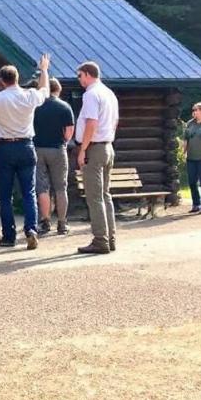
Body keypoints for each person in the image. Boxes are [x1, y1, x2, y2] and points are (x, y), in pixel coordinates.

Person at [0, 54, 51, 250]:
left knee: (5, 195)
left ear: (1, 81)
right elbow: (45, 90)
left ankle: (9, 236)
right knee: (29, 192)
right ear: (17, 78)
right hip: (26, 145)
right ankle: (31, 230)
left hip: (5, 148)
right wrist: (44, 70)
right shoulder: (29, 96)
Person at [75, 61, 120, 255]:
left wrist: (83, 149)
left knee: (94, 197)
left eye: (79, 76)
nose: (79, 80)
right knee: (105, 195)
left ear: (87, 74)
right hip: (108, 146)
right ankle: (110, 238)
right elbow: (115, 122)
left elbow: (91, 123)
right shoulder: (109, 93)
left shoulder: (91, 95)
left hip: (95, 148)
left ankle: (100, 240)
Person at [33, 77, 75, 235]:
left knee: (42, 187)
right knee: (60, 187)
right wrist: (62, 141)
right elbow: (69, 133)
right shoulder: (65, 107)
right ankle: (62, 223)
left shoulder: (35, 106)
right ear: (58, 90)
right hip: (57, 149)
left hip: (37, 148)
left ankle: (45, 221)